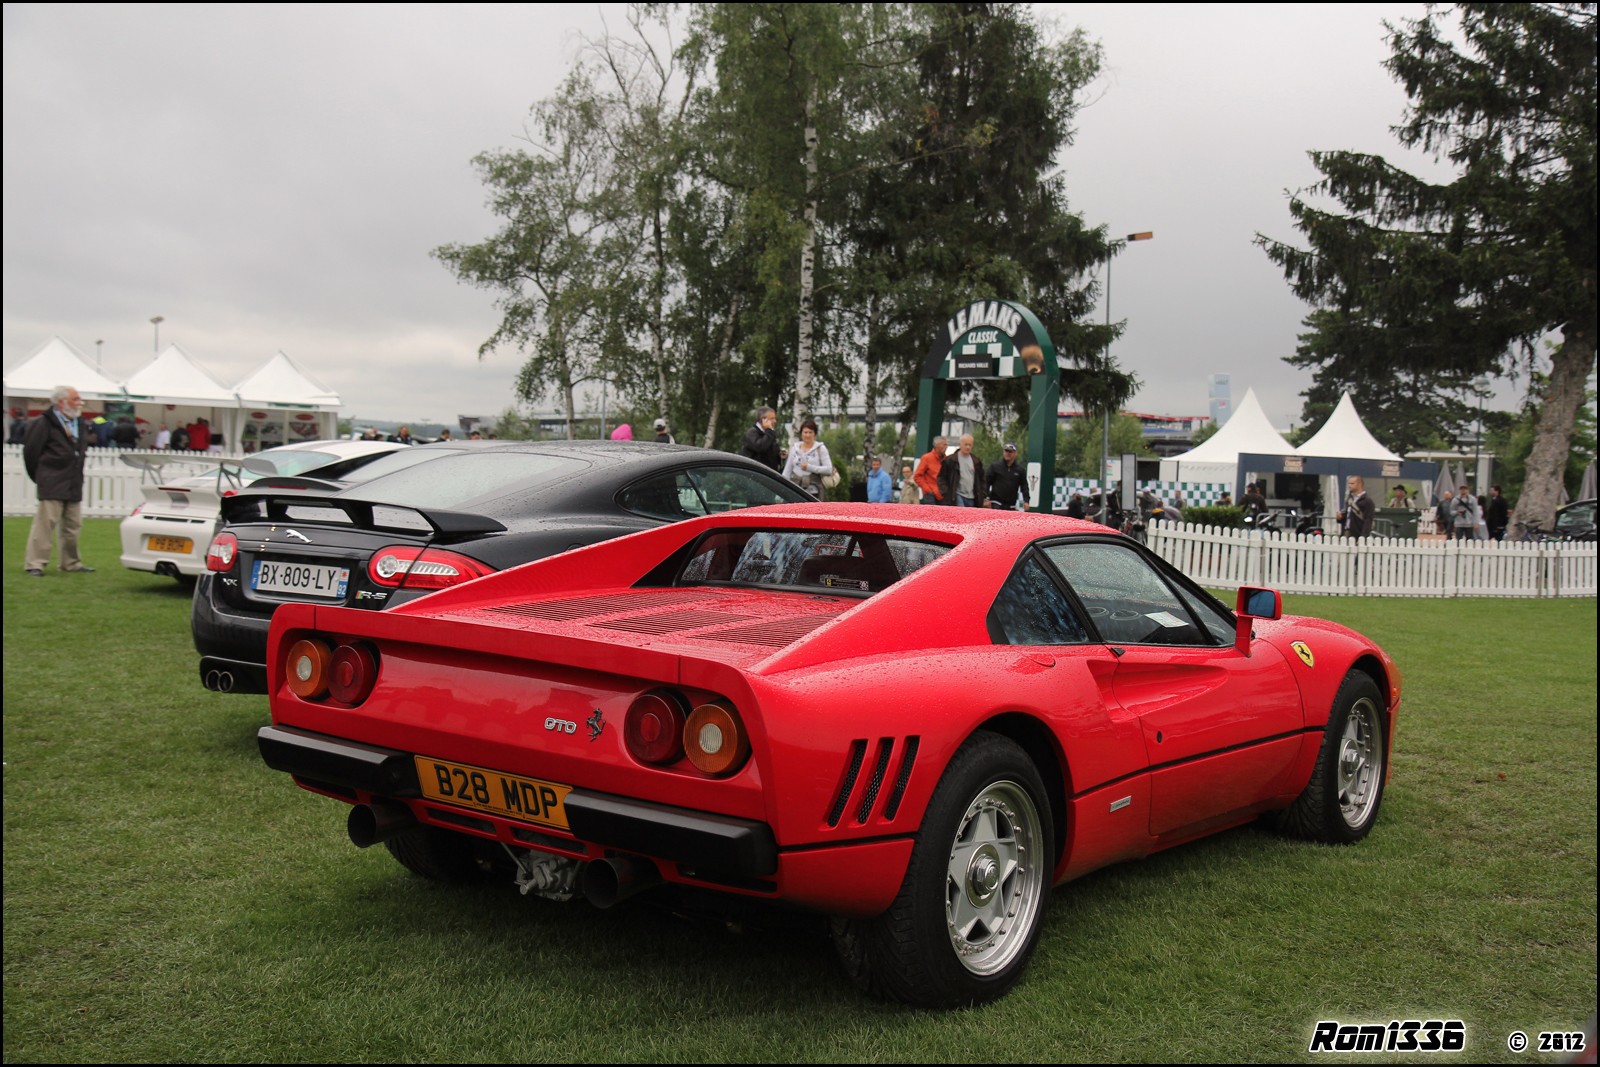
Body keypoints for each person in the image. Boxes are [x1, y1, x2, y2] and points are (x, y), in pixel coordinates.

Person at [22, 385, 93, 576]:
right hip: (52, 480)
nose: (80, 403)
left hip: (73, 481)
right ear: (62, 403)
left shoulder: (79, 423)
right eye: (75, 399)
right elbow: (31, 453)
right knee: (45, 525)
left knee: (73, 526)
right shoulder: (43, 423)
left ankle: (71, 563)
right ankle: (35, 563)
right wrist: (41, 477)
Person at [781, 420, 833, 498]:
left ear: (814, 433)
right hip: (795, 489)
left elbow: (828, 469)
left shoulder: (820, 448)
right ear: (801, 434)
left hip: (814, 490)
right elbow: (787, 471)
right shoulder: (795, 448)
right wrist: (781, 489)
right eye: (805, 432)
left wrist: (809, 467)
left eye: (810, 432)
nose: (807, 435)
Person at [937, 434, 987, 508]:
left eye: (970, 445)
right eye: (966, 444)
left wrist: (982, 494)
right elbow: (941, 478)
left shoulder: (976, 461)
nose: (968, 447)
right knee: (960, 515)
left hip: (972, 497)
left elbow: (982, 479)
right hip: (957, 495)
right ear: (960, 444)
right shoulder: (950, 460)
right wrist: (946, 492)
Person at [985, 442, 1029, 511]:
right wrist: (986, 498)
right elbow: (986, 483)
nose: (1008, 453)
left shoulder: (1020, 470)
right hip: (996, 504)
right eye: (1006, 451)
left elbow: (1024, 486)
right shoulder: (995, 466)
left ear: (1015, 453)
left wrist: (1026, 501)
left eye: (1010, 452)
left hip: (1011, 505)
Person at [739, 406, 781, 472]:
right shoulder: (752, 433)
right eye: (772, 418)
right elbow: (761, 447)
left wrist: (780, 454)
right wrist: (769, 431)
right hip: (754, 473)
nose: (775, 421)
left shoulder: (769, 434)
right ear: (763, 419)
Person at [913, 435, 947, 504]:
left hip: (943, 495)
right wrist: (927, 489)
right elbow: (917, 476)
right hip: (930, 495)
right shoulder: (927, 458)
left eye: (946, 445)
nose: (946, 447)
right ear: (937, 445)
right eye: (944, 444)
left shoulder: (946, 459)